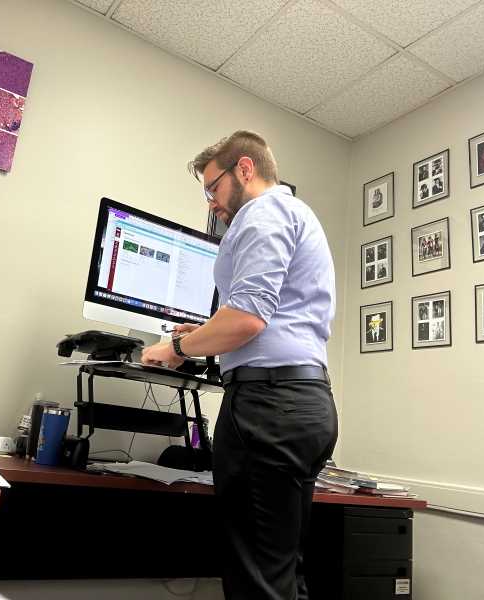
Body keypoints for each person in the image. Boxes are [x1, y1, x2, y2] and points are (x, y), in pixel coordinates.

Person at [141, 130, 338, 600]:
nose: (211, 202)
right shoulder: (296, 213)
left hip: (267, 409)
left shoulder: (262, 213)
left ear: (245, 170)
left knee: (258, 583)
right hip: (304, 403)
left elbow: (248, 319)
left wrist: (177, 348)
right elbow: (264, 316)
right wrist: (206, 335)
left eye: (213, 187)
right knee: (281, 572)